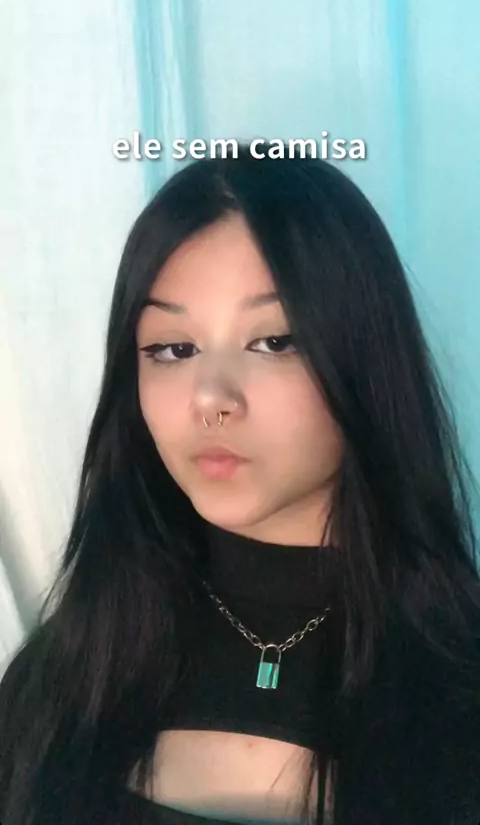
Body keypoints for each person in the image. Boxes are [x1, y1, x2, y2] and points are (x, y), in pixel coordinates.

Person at [0, 146, 479, 825]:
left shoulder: (457, 687)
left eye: (275, 342)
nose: (212, 399)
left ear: (366, 360)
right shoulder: (67, 673)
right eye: (174, 349)